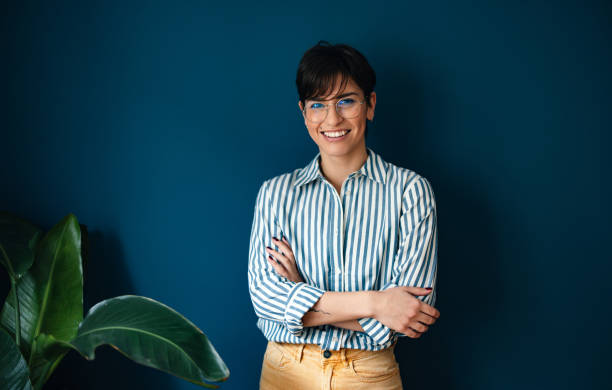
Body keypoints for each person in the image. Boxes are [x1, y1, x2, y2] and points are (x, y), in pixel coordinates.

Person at [248, 41, 440, 390]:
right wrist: (377, 303)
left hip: (369, 374)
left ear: (370, 105)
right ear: (304, 113)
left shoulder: (410, 192)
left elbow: (410, 314)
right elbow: (265, 298)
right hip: (285, 370)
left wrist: (298, 292)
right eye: (318, 105)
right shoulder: (275, 194)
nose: (332, 119)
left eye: (346, 101)